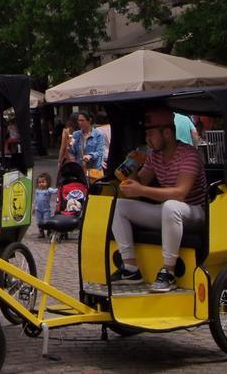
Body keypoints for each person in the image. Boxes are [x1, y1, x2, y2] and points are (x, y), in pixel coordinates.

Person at [110, 107, 208, 292]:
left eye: (151, 134)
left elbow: (181, 193)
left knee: (172, 206)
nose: (147, 139)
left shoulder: (188, 155)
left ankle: (168, 272)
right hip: (169, 212)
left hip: (195, 212)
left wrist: (142, 189)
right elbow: (141, 185)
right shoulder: (154, 155)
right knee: (118, 206)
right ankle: (130, 268)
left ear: (168, 133)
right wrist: (131, 170)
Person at [69, 111, 106, 180]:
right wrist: (69, 147)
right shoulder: (76, 134)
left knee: (94, 189)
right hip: (80, 170)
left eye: (82, 120)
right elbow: (72, 152)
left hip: (94, 170)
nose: (80, 123)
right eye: (78, 120)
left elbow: (100, 151)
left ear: (90, 120)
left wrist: (90, 156)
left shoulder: (98, 134)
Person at [33, 173, 55, 239]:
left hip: (46, 210)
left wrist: (55, 189)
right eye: (39, 182)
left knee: (47, 221)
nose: (41, 184)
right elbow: (36, 200)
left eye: (43, 182)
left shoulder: (48, 190)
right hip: (38, 209)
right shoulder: (37, 191)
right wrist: (34, 207)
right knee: (39, 221)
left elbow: (55, 191)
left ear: (47, 182)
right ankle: (41, 232)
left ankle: (49, 231)